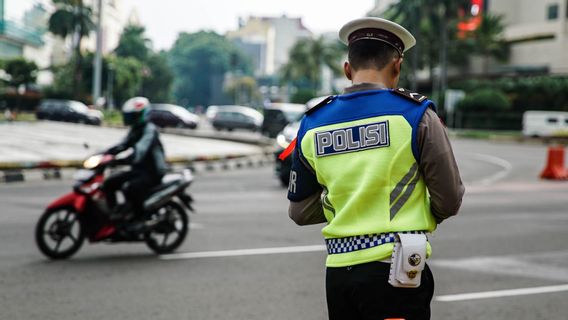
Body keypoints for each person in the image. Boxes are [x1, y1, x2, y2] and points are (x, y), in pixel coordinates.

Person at [287, 17, 464, 320]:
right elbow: (449, 199)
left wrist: (347, 202)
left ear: (347, 68)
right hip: (396, 272)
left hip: (339, 274)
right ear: (397, 65)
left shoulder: (312, 123)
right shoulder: (416, 115)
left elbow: (300, 212)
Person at [103, 97, 168, 220]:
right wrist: (104, 153)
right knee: (109, 183)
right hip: (138, 170)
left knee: (130, 188)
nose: (131, 119)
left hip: (153, 172)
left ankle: (139, 218)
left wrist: (120, 160)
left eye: (134, 116)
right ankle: (114, 215)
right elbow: (122, 145)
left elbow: (140, 151)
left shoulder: (150, 130)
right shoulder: (135, 129)